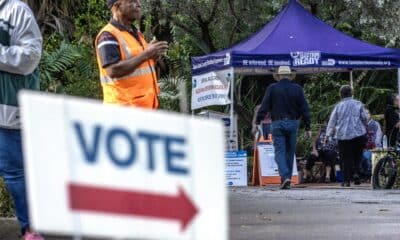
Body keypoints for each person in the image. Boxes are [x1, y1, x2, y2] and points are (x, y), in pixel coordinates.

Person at [0, 0, 44, 239]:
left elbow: (30, 57)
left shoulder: (15, 10)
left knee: (16, 174)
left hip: (8, 111)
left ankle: (31, 229)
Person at [95, 0, 168, 108]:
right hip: (124, 111)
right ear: (116, 6)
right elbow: (112, 70)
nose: (138, 4)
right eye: (132, 1)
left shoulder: (136, 33)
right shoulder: (107, 35)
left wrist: (153, 56)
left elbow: (140, 63)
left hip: (145, 108)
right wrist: (146, 54)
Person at [256, 66, 311, 189]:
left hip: (277, 123)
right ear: (290, 76)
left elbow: (264, 107)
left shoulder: (272, 88)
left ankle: (285, 177)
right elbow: (305, 109)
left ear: (279, 76)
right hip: (293, 123)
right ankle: (287, 179)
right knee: (290, 152)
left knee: (279, 151)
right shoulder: (297, 89)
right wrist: (308, 127)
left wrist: (257, 120)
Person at [326, 85, 367, 187]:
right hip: (359, 134)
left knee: (345, 158)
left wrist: (327, 135)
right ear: (352, 93)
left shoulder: (338, 106)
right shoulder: (358, 104)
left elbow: (332, 122)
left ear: (341, 95)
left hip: (343, 136)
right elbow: (365, 118)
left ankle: (346, 181)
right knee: (358, 156)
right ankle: (357, 174)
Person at [361, 108, 382, 178]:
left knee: (368, 156)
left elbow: (378, 136)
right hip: (363, 148)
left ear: (370, 114)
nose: (365, 115)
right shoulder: (361, 125)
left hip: (374, 147)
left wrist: (375, 146)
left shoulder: (376, 124)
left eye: (367, 113)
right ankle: (363, 175)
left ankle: (370, 175)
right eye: (364, 114)